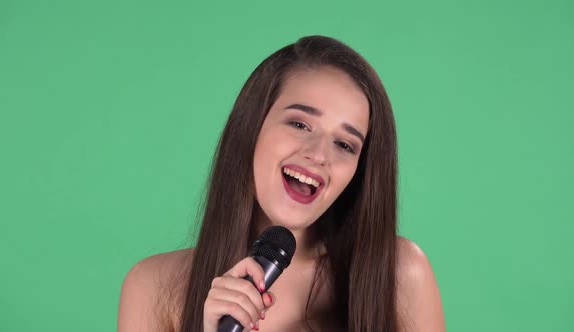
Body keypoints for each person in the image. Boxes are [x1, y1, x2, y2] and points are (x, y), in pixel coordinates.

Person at [117, 35, 445, 332]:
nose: (318, 154)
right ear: (252, 126)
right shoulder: (153, 287)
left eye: (345, 144)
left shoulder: (399, 274)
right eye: (300, 124)